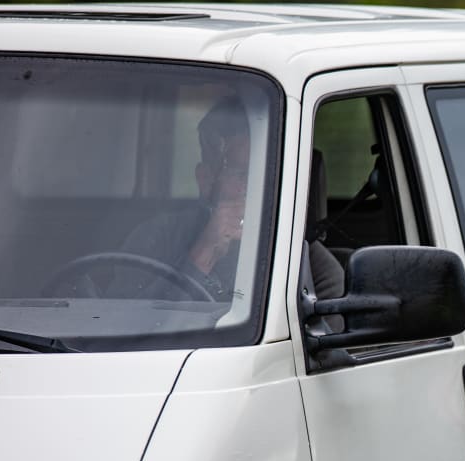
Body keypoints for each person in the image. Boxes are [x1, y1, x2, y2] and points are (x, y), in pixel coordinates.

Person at [118, 96, 343, 318]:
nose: (257, 188)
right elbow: (123, 324)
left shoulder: (311, 266)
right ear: (205, 180)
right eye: (242, 174)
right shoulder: (155, 238)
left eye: (267, 174)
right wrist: (204, 253)